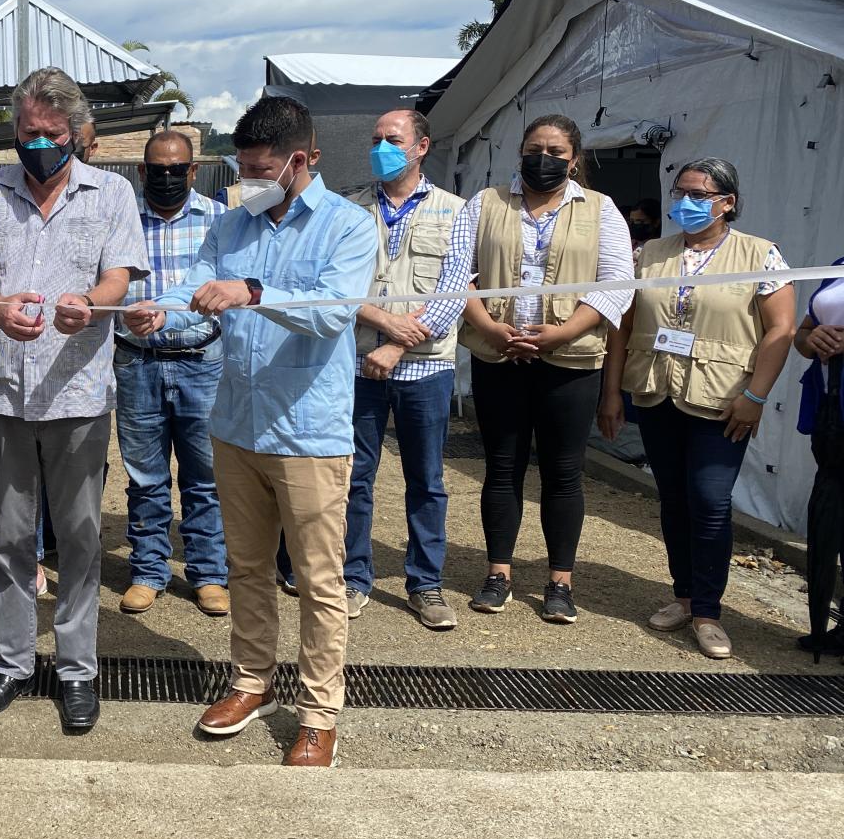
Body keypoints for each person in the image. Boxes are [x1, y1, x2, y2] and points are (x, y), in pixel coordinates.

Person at [127, 94, 378, 768]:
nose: (251, 179)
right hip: (237, 426)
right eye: (243, 166)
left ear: (304, 160)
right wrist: (155, 311)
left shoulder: (348, 227)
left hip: (309, 433)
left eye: (263, 167)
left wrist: (256, 292)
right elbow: (195, 287)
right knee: (246, 568)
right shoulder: (234, 224)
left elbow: (332, 315)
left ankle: (321, 712)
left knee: (320, 581)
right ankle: (252, 681)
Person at [0, 67, 148, 734]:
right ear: (15, 128)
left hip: (78, 389)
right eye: (28, 131)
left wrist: (93, 305)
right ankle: (11, 663)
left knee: (80, 535)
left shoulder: (112, 193)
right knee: (9, 535)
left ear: (76, 133)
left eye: (52, 133)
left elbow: (121, 273)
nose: (38, 144)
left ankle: (76, 670)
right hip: (4, 387)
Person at [442, 113, 633, 624]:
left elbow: (616, 282)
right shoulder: (485, 204)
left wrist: (563, 333)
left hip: (570, 360)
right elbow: (458, 274)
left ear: (575, 159)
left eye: (555, 153)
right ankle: (498, 573)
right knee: (502, 467)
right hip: (498, 354)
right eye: (534, 149)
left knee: (563, 472)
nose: (543, 160)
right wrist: (490, 328)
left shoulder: (601, 209)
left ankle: (559, 582)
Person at [599, 159, 794, 660]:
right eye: (680, 191)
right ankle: (683, 595)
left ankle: (708, 610)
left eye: (699, 195)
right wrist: (613, 390)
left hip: (722, 400)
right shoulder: (650, 254)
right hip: (658, 393)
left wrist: (754, 397)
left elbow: (781, 330)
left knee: (709, 503)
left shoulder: (761, 254)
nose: (685, 202)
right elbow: (622, 324)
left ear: (727, 202)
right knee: (673, 499)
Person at [344, 109, 466, 629]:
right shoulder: (349, 210)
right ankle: (352, 577)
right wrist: (380, 322)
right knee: (354, 478)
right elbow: (338, 290)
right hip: (356, 368)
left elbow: (455, 291)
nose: (380, 149)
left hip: (425, 371)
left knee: (427, 480)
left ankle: (426, 584)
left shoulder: (456, 211)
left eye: (391, 140)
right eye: (375, 140)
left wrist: (395, 344)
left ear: (421, 147)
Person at [114, 128, 229, 617]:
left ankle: (208, 574)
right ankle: (148, 570)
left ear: (193, 171)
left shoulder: (221, 221)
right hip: (137, 362)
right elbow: (103, 283)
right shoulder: (119, 224)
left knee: (206, 476)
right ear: (142, 171)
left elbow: (226, 290)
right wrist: (124, 311)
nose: (166, 178)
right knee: (145, 477)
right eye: (156, 170)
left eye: (175, 170)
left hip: (202, 362)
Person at [795, 257, 844, 658]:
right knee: (827, 521)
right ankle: (824, 626)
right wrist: (813, 339)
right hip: (830, 413)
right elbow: (803, 333)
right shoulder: (838, 267)